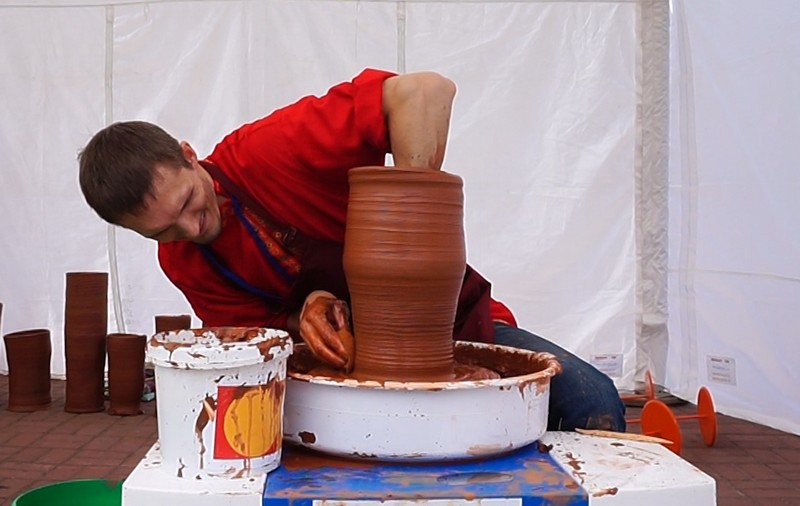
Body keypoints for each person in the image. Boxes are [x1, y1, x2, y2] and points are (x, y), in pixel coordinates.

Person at [78, 68, 625, 431]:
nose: (192, 228)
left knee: (593, 401)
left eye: (189, 203)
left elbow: (424, 91)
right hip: (342, 362)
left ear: (189, 154)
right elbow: (260, 339)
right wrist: (307, 309)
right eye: (164, 231)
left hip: (450, 328)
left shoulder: (269, 151)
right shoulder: (182, 260)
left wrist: (410, 222)